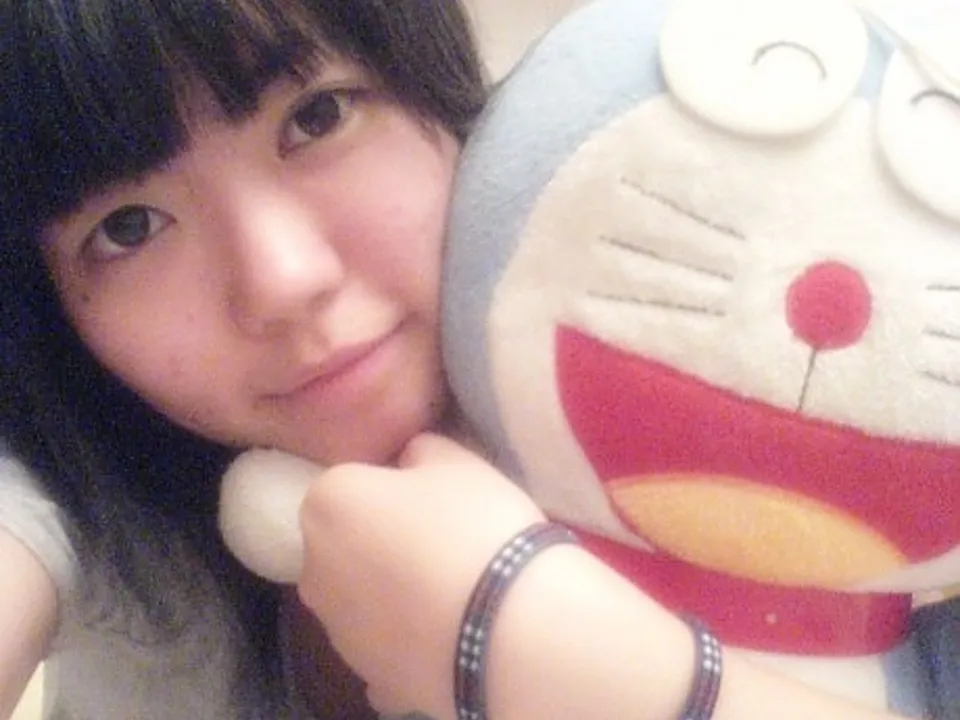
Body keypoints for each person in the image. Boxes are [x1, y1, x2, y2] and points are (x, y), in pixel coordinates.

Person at [0, 0, 934, 719]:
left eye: (318, 116)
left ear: (440, 88)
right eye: (128, 228)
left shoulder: (756, 396)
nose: (283, 280)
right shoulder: (86, 501)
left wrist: (543, 642)